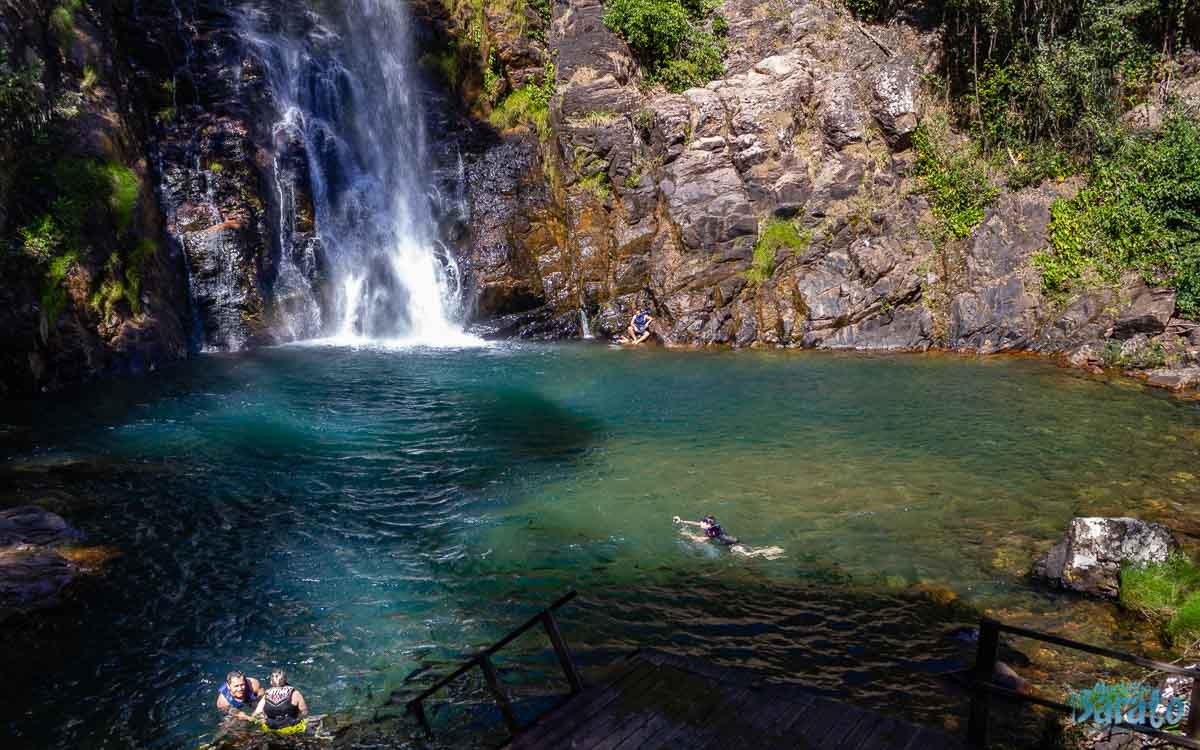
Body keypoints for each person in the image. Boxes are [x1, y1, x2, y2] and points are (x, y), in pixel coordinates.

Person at [673, 514, 785, 559]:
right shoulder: (712, 526)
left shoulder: (711, 532)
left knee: (748, 554)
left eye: (703, 522)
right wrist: (682, 521)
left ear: (708, 524)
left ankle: (768, 552)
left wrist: (687, 534)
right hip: (733, 539)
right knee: (748, 548)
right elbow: (698, 524)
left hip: (730, 544)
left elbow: (700, 540)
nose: (700, 523)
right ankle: (768, 551)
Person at [252, 668, 309, 734]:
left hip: (270, 728)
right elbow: (304, 712)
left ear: (271, 681)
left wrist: (264, 720)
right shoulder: (295, 693)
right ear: (285, 680)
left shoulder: (267, 694)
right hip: (291, 728)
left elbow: (256, 714)